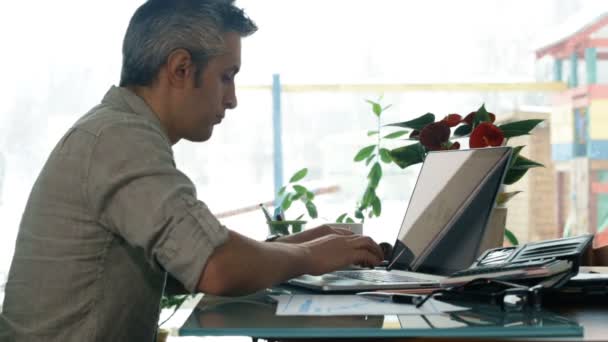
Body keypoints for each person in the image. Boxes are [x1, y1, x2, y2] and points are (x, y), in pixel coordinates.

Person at [0, 1, 384, 341]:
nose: (231, 99)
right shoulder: (120, 139)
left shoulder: (115, 130)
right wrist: (309, 256)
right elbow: (214, 267)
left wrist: (296, 247)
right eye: (226, 76)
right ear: (181, 68)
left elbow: (195, 260)